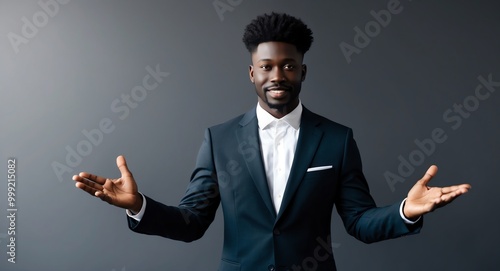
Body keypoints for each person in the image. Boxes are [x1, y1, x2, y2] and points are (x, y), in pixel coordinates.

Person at [73, 12, 471, 271]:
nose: (277, 75)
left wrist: (406, 210)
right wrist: (139, 207)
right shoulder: (219, 139)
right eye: (266, 66)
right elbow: (192, 223)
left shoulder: (336, 139)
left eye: (288, 66)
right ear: (252, 73)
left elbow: (359, 222)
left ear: (302, 72)